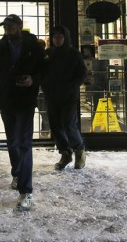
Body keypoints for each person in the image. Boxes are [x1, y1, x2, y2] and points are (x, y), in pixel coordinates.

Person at [0, 14, 46, 212]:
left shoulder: (33, 46)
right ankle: (17, 172)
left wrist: (33, 80)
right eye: (5, 27)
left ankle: (26, 191)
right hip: (6, 100)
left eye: (11, 26)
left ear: (19, 26)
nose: (7, 29)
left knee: (24, 142)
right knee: (12, 140)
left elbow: (45, 70)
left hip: (25, 100)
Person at [42, 26, 87, 170]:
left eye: (60, 37)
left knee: (68, 124)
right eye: (55, 37)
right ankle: (65, 153)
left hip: (68, 96)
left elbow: (82, 74)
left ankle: (79, 151)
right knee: (55, 125)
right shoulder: (48, 54)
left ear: (65, 38)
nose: (57, 40)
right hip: (52, 95)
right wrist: (46, 86)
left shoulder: (74, 54)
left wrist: (71, 86)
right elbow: (42, 72)